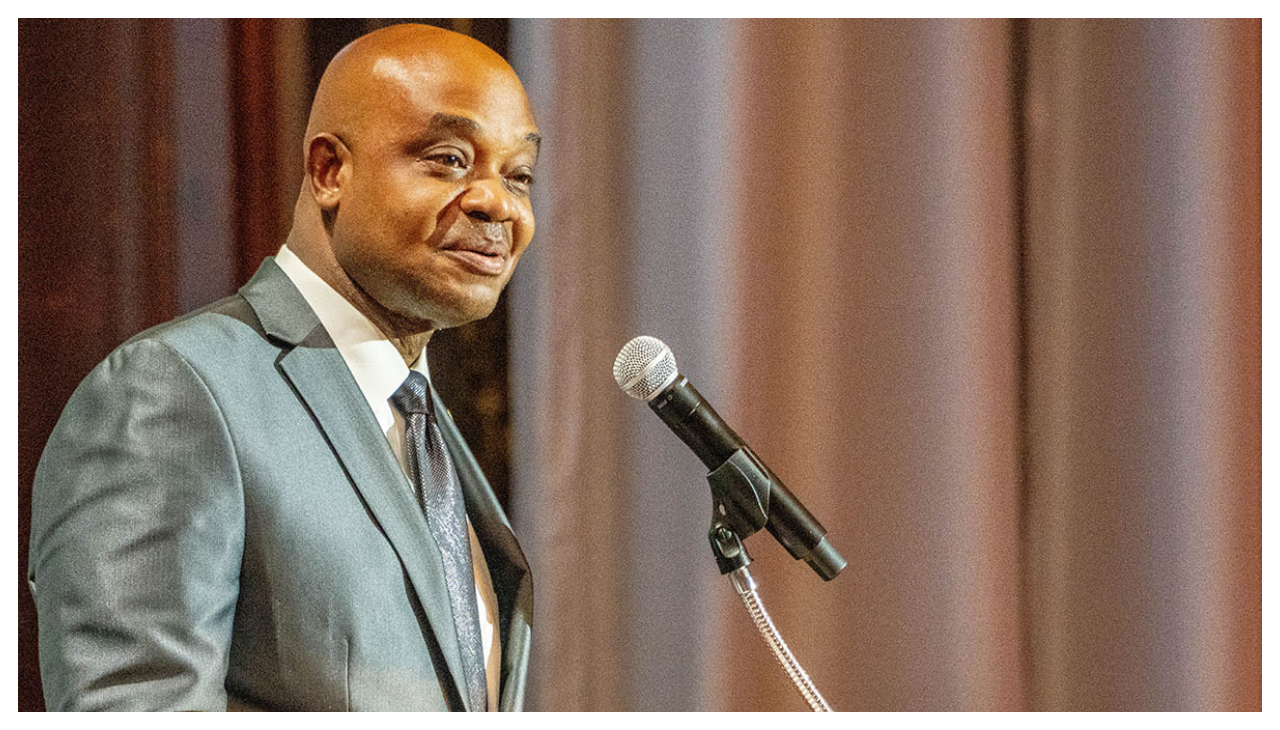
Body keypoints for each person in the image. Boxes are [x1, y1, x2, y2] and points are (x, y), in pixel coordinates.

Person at [28, 23, 539, 711]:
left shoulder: (419, 418)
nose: (497, 202)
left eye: (520, 175)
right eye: (448, 159)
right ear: (330, 170)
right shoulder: (173, 391)